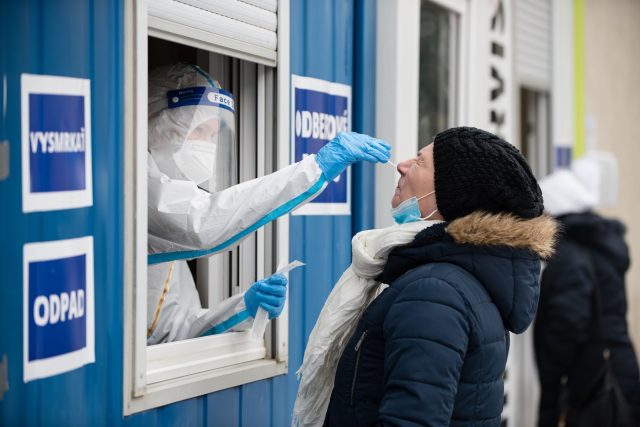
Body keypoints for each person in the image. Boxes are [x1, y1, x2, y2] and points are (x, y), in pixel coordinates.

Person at [293, 127, 558, 426]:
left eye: (420, 162)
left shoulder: (434, 293)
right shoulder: (453, 283)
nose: (403, 166)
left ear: (451, 197)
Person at [146, 63, 391, 344]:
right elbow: (202, 223)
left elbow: (170, 331)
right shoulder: (134, 183)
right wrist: (315, 169)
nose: (208, 146)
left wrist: (244, 308)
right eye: (199, 130)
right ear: (155, 121)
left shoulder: (167, 228)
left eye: (214, 135)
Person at [534, 158, 640, 426]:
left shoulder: (570, 259)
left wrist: (552, 388)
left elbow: (567, 327)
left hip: (591, 386)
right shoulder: (599, 249)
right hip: (617, 371)